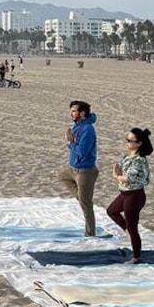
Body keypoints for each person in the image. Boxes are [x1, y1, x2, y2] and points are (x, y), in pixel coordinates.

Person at [107, 128, 153, 264]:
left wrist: (117, 176)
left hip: (134, 196)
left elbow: (128, 178)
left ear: (138, 143)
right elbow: (118, 170)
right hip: (124, 194)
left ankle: (136, 256)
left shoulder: (139, 160)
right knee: (111, 211)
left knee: (133, 227)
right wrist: (117, 174)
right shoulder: (127, 157)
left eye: (130, 140)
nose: (127, 142)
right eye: (126, 139)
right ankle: (127, 231)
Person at [58, 100, 99, 236]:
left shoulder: (87, 129)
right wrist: (72, 140)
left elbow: (82, 152)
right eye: (71, 111)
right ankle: (82, 196)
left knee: (86, 205)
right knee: (63, 176)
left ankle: (90, 234)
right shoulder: (78, 126)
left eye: (74, 111)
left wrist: (70, 141)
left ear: (82, 113)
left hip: (85, 171)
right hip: (74, 168)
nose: (71, 113)